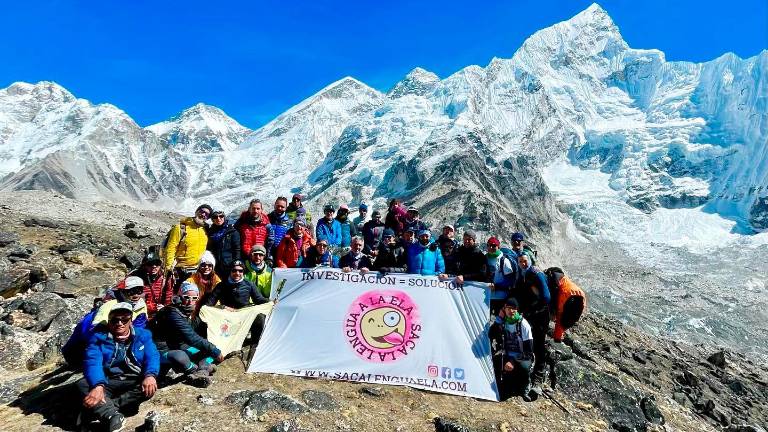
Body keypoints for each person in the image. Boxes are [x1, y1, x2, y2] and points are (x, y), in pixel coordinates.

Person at [76, 302, 159, 431]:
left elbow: (152, 356)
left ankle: (105, 407)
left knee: (149, 387)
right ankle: (113, 415)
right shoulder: (98, 338)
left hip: (133, 380)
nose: (120, 323)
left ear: (131, 321)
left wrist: (150, 375)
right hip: (108, 380)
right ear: (109, 322)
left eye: (124, 320)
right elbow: (93, 362)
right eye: (115, 320)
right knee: (83, 384)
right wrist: (98, 385)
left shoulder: (143, 335)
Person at [63, 280, 148, 368]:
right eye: (131, 291)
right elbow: (95, 332)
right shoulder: (108, 306)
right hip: (80, 346)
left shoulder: (141, 305)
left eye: (139, 291)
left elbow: (139, 328)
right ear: (123, 292)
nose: (136, 295)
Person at [152, 282, 223, 387]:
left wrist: (212, 350)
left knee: (208, 354)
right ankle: (196, 370)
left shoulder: (186, 311)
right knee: (181, 357)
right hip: (161, 349)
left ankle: (201, 372)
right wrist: (215, 350)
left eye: (194, 298)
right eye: (187, 297)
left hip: (178, 345)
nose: (190, 301)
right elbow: (192, 338)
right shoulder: (172, 313)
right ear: (180, 297)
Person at [202, 261, 270, 345]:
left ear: (243, 272)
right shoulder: (221, 285)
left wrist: (270, 301)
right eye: (234, 270)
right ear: (230, 271)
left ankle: (255, 343)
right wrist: (222, 307)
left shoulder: (249, 284)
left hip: (244, 313)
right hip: (227, 315)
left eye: (240, 271)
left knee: (259, 317)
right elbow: (208, 305)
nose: (237, 273)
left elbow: (259, 300)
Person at [513, 253, 551, 383]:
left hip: (541, 314)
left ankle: (539, 376)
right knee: (528, 341)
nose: (523, 263)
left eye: (524, 261)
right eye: (520, 261)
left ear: (529, 261)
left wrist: (534, 310)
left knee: (539, 344)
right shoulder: (522, 274)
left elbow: (546, 297)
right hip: (530, 314)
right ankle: (527, 370)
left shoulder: (536, 273)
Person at [489, 298, 535, 401]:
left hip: (522, 357)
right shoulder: (503, 322)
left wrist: (513, 361)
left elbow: (528, 352)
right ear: (504, 309)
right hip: (507, 355)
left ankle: (525, 385)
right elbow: (491, 334)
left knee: (524, 364)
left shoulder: (523, 325)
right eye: (508, 308)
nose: (511, 311)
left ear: (517, 310)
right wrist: (499, 319)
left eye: (514, 309)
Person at [163, 204, 211, 291]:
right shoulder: (181, 228)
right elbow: (170, 248)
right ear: (196, 212)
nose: (203, 215)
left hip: (197, 270)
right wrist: (169, 268)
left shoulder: (205, 230)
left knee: (193, 297)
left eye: (207, 214)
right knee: (177, 296)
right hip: (180, 270)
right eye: (202, 211)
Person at [545, 267, 586, 343]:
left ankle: (557, 337)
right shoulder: (564, 280)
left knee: (561, 316)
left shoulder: (554, 281)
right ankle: (558, 337)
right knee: (566, 319)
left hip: (567, 294)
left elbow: (560, 315)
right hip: (580, 295)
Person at [127, 249, 169, 319]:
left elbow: (169, 296)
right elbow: (119, 290)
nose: (154, 266)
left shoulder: (165, 277)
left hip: (159, 313)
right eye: (150, 264)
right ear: (144, 266)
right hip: (139, 312)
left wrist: (165, 307)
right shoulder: (134, 276)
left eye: (157, 263)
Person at [485, 237, 517, 315]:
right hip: (486, 297)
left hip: (501, 298)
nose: (491, 247)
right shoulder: (484, 258)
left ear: (498, 247)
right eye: (489, 245)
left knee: (499, 321)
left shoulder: (504, 261)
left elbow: (509, 281)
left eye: (494, 246)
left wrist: (496, 286)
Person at [207, 210, 241, 279]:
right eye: (215, 217)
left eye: (221, 216)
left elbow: (237, 249)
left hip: (229, 265)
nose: (218, 219)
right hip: (215, 266)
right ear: (212, 219)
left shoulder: (232, 232)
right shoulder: (210, 233)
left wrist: (236, 263)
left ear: (224, 217)